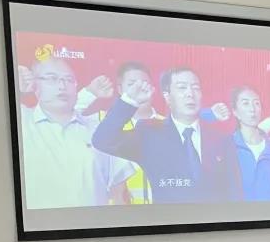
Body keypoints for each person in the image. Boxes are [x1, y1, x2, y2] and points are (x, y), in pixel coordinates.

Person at [92, 66, 242, 203]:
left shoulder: (221, 139)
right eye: (182, 88)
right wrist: (129, 101)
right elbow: (103, 140)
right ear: (168, 97)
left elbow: (234, 191)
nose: (190, 94)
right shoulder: (149, 134)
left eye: (195, 88)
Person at [17, 56, 135, 209]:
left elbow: (120, 195)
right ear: (34, 84)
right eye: (52, 78)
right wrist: (16, 84)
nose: (62, 86)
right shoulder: (22, 122)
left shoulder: (99, 131)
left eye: (69, 80)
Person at [231, 86, 270, 201]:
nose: (252, 109)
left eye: (256, 103)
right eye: (245, 103)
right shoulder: (227, 149)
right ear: (235, 112)